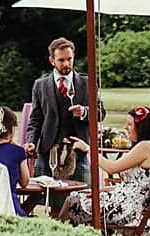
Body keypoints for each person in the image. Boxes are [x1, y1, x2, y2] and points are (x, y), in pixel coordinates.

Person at [61, 106, 150, 230]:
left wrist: (88, 149)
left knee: (74, 200)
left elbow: (112, 168)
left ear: (141, 127)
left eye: (129, 124)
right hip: (128, 204)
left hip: (127, 210)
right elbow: (131, 185)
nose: (125, 128)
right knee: (78, 196)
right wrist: (101, 190)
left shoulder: (145, 147)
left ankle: (56, 235)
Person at [25, 38, 102, 182]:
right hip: (48, 150)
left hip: (79, 150)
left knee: (83, 198)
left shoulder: (87, 83)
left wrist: (84, 112)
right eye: (61, 60)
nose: (66, 64)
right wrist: (31, 141)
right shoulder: (40, 85)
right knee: (49, 199)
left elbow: (101, 112)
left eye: (69, 59)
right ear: (51, 60)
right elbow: (36, 119)